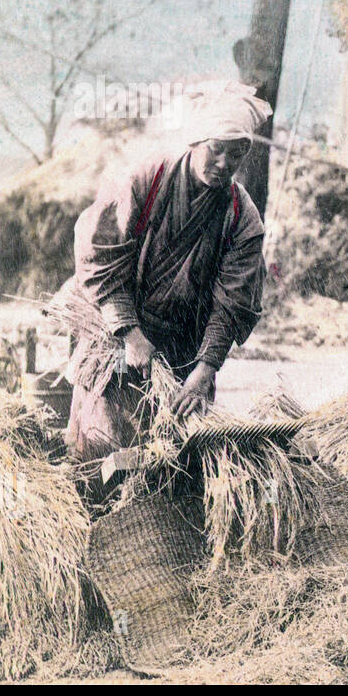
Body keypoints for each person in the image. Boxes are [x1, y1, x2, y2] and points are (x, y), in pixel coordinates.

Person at [61, 81, 269, 464]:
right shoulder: (146, 180)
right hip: (118, 329)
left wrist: (205, 370)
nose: (224, 164)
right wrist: (131, 334)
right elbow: (99, 254)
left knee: (177, 460)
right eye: (216, 149)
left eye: (236, 155)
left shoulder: (241, 217)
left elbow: (233, 302)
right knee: (103, 450)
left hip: (185, 348)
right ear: (195, 141)